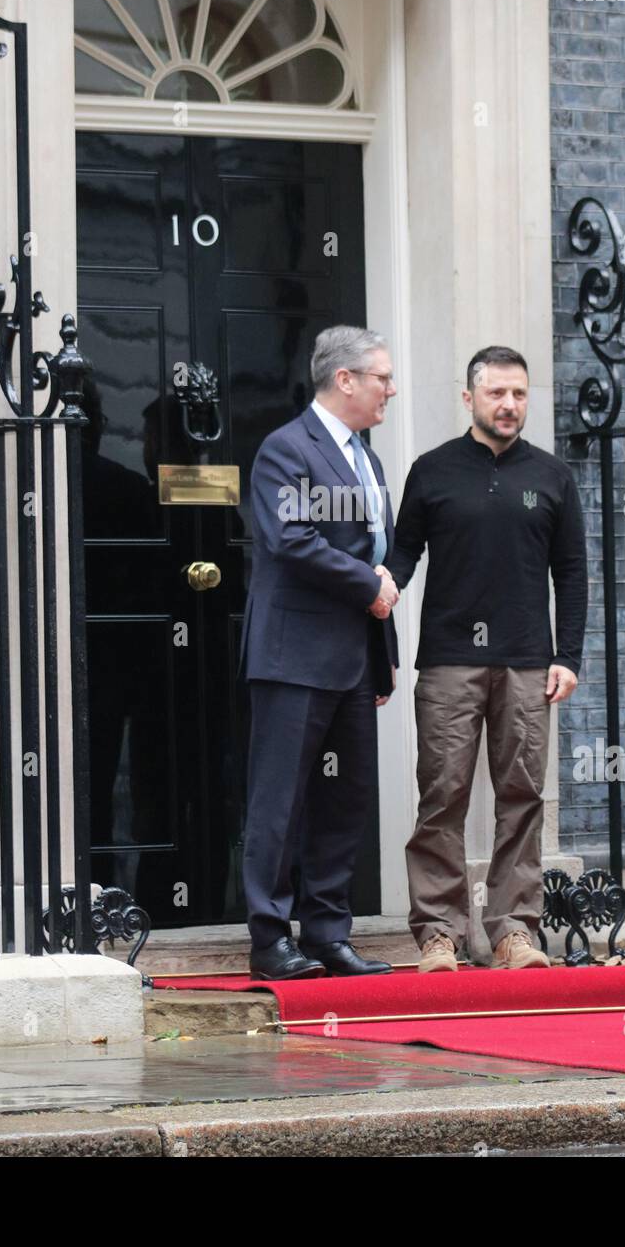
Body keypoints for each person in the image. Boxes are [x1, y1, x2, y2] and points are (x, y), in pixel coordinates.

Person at [386, 346, 588, 973]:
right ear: (469, 397)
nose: (509, 405)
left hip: (529, 663)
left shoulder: (553, 476)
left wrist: (568, 655)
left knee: (521, 797)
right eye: (497, 393)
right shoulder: (432, 470)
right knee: (442, 795)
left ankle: (514, 932)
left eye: (519, 394)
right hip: (449, 660)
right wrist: (376, 601)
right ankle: (439, 933)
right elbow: (402, 555)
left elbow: (573, 571)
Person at [240, 326, 400, 980]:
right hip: (293, 654)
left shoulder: (368, 458)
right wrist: (371, 589)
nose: (391, 389)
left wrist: (381, 653)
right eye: (382, 377)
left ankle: (328, 932)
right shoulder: (285, 449)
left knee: (345, 799)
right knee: (280, 801)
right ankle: (270, 938)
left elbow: (376, 553)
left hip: (354, 659)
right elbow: (292, 539)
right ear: (345, 380)